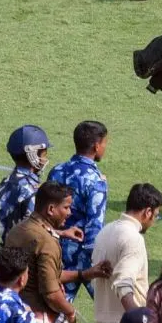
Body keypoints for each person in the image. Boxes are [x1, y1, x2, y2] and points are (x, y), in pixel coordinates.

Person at [0, 184, 99, 323]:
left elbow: (47, 275)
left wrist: (84, 274)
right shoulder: (47, 243)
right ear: (51, 209)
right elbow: (51, 293)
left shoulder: (17, 230)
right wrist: (70, 313)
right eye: (66, 207)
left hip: (11, 315)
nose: (69, 212)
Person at [47, 121, 111, 298]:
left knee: (56, 308)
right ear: (97, 146)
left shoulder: (56, 171)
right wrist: (96, 261)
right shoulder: (96, 181)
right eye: (105, 143)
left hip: (57, 250)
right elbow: (94, 225)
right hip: (85, 255)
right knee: (107, 307)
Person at [92, 185, 162, 323]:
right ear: (148, 212)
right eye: (156, 215)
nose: (154, 221)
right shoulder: (133, 238)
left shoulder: (104, 232)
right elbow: (123, 282)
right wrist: (137, 320)